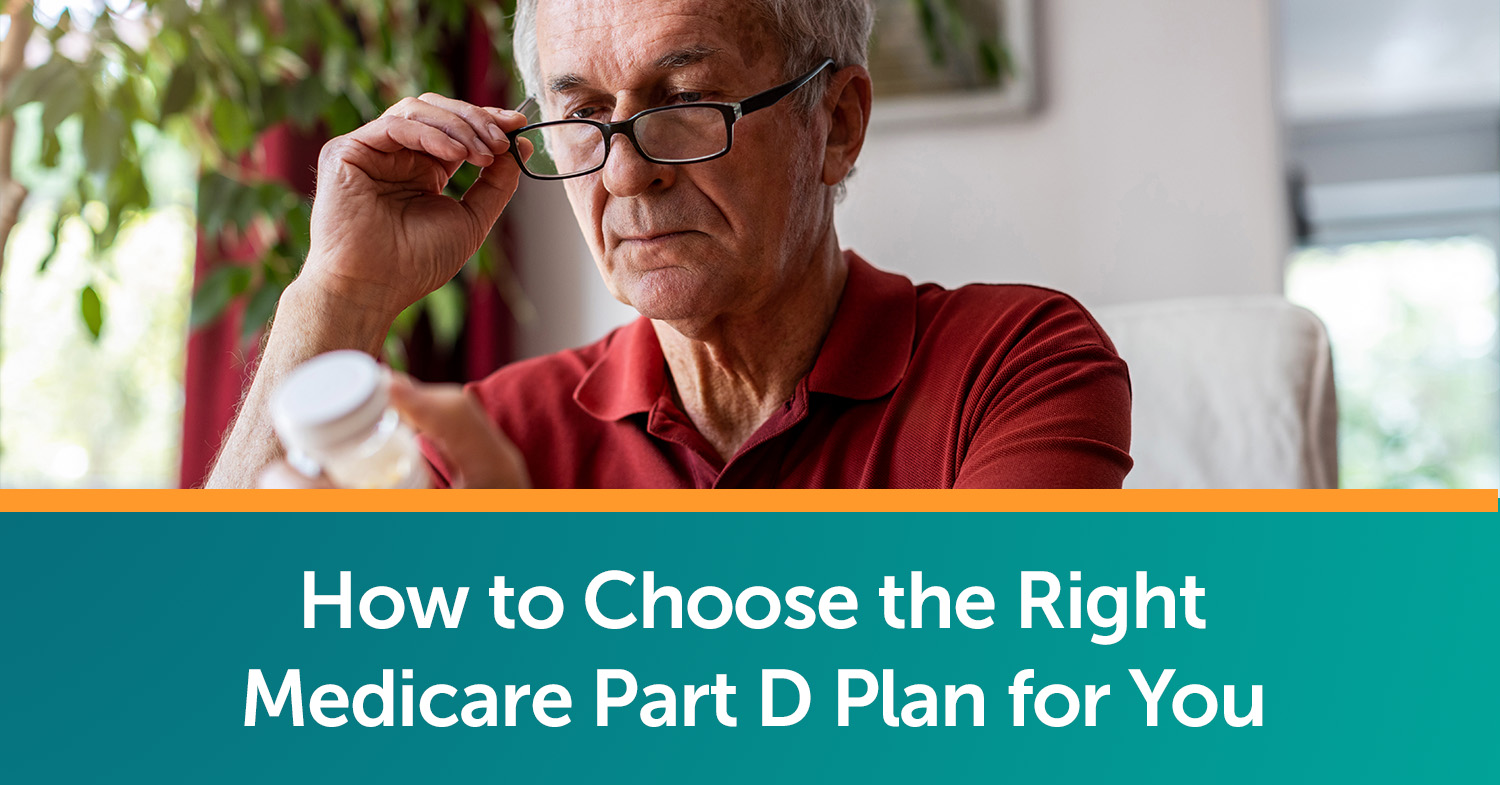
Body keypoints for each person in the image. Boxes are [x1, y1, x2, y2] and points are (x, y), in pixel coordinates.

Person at [208, 0, 1132, 490]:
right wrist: (341, 292)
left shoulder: (1015, 364)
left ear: (837, 124)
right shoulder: (493, 437)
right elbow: (217, 658)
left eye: (685, 103)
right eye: (582, 115)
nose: (622, 175)